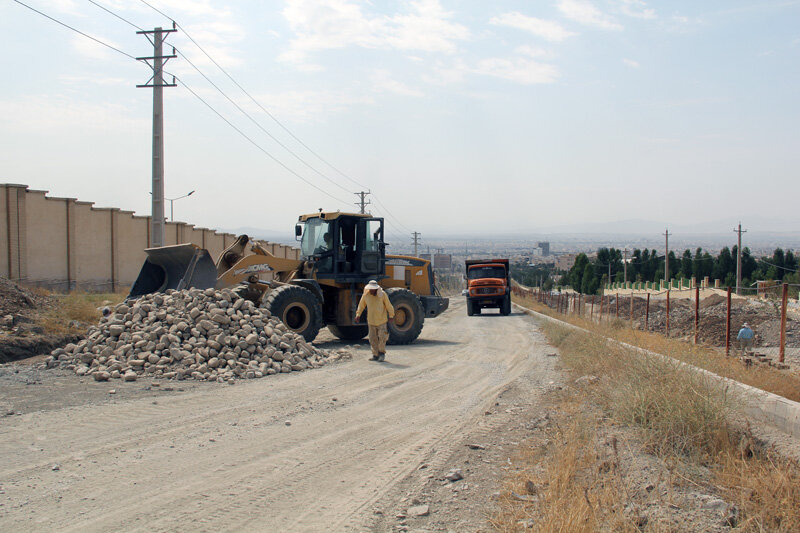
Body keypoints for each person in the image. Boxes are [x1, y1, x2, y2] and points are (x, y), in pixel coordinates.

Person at [355, 280, 395, 362]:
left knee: (382, 338)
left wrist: (391, 315)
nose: (371, 291)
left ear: (376, 289)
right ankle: (375, 355)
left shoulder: (382, 295)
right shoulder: (366, 295)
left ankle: (381, 354)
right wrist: (358, 315)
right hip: (371, 321)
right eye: (370, 289)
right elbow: (361, 305)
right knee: (372, 339)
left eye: (373, 289)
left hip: (382, 321)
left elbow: (388, 305)